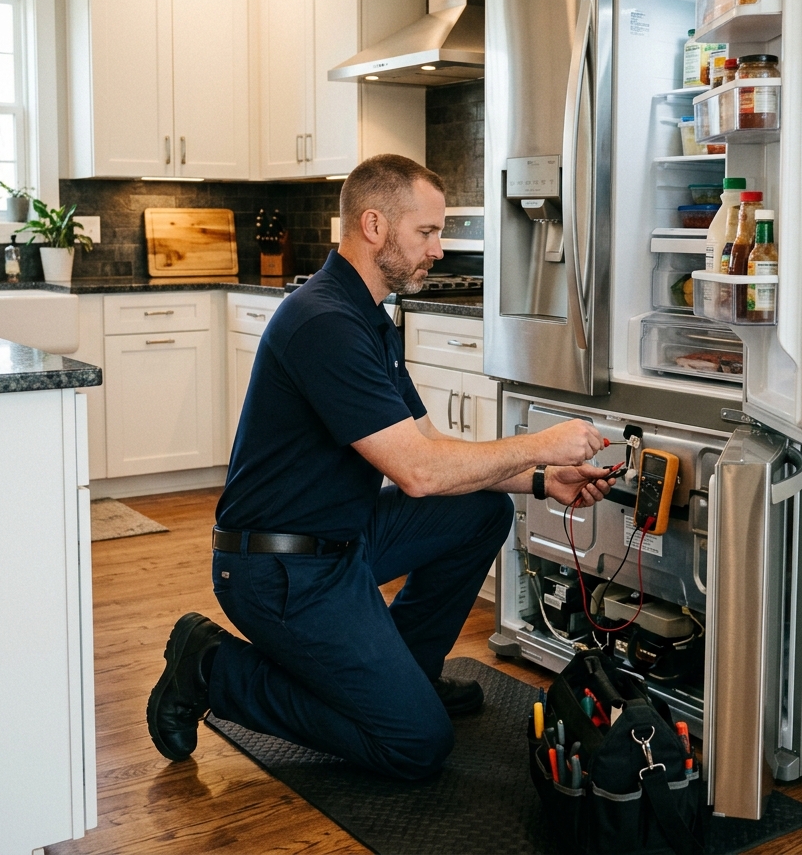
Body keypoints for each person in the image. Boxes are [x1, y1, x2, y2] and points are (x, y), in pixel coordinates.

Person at [146, 153, 614, 780]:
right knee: (416, 747)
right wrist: (540, 445)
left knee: (481, 510)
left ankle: (408, 677)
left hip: (344, 538)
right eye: (426, 232)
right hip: (280, 569)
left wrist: (538, 481)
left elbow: (428, 447)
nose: (440, 249)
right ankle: (211, 669)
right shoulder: (324, 322)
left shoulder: (370, 316)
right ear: (374, 226)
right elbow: (418, 472)